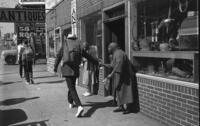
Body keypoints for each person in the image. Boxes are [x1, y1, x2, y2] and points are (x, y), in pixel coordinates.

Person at [54, 35, 99, 118]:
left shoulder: (65, 43)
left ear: (68, 38)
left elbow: (58, 56)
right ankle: (71, 102)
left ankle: (79, 106)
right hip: (75, 69)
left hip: (67, 69)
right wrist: (95, 61)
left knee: (71, 88)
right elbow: (87, 55)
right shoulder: (78, 44)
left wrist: (55, 67)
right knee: (71, 86)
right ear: (75, 38)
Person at [101, 42, 136, 114]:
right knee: (118, 91)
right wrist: (103, 64)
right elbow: (112, 65)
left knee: (126, 91)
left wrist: (111, 74)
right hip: (118, 75)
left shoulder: (119, 53)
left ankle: (128, 108)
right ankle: (121, 106)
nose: (108, 49)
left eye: (109, 47)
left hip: (124, 76)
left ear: (113, 47)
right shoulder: (115, 53)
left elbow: (119, 64)